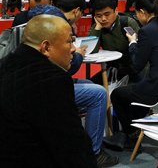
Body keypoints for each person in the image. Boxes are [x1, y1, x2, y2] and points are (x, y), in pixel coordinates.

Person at [27, 0, 118, 168]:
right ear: (77, 11)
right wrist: (78, 55)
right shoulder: (59, 26)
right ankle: (94, 153)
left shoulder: (38, 21)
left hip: (36, 81)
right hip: (46, 85)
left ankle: (77, 141)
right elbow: (68, 66)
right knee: (99, 94)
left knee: (90, 85)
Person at [0, 15, 97, 168]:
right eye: (69, 41)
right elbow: (71, 146)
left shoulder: (6, 63)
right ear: (46, 47)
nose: (73, 49)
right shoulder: (52, 80)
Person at [104, 0, 158, 151]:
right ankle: (133, 130)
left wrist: (133, 42)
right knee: (135, 90)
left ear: (142, 12)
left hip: (156, 90)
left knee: (117, 95)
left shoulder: (146, 31)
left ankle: (131, 134)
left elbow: (138, 64)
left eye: (136, 14)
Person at [88, 0, 141, 82]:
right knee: (91, 84)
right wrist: (97, 28)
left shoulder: (127, 24)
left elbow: (139, 47)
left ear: (116, 11)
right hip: (112, 69)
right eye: (99, 16)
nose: (103, 19)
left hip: (132, 70)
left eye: (107, 14)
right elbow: (91, 50)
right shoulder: (97, 27)